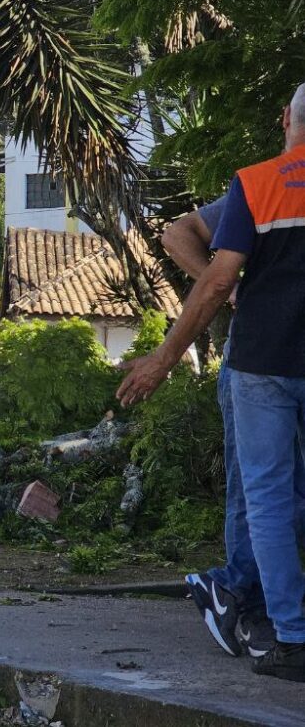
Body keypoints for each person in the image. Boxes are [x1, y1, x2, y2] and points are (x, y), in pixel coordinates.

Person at [119, 83, 305, 682]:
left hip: (259, 362)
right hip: (270, 364)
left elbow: (220, 278)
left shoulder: (257, 184)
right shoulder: (251, 189)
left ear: (285, 117)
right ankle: (247, 599)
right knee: (271, 495)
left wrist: (164, 357)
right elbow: (195, 252)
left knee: (266, 496)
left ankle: (276, 622)